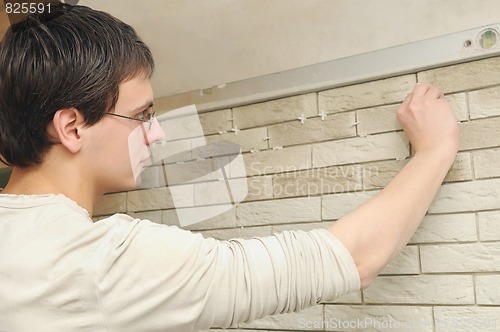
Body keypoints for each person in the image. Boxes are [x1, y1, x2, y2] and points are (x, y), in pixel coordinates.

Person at [0, 3, 459, 332]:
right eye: (142, 115)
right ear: (72, 127)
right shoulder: (103, 262)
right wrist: (435, 151)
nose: (157, 134)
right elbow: (351, 260)